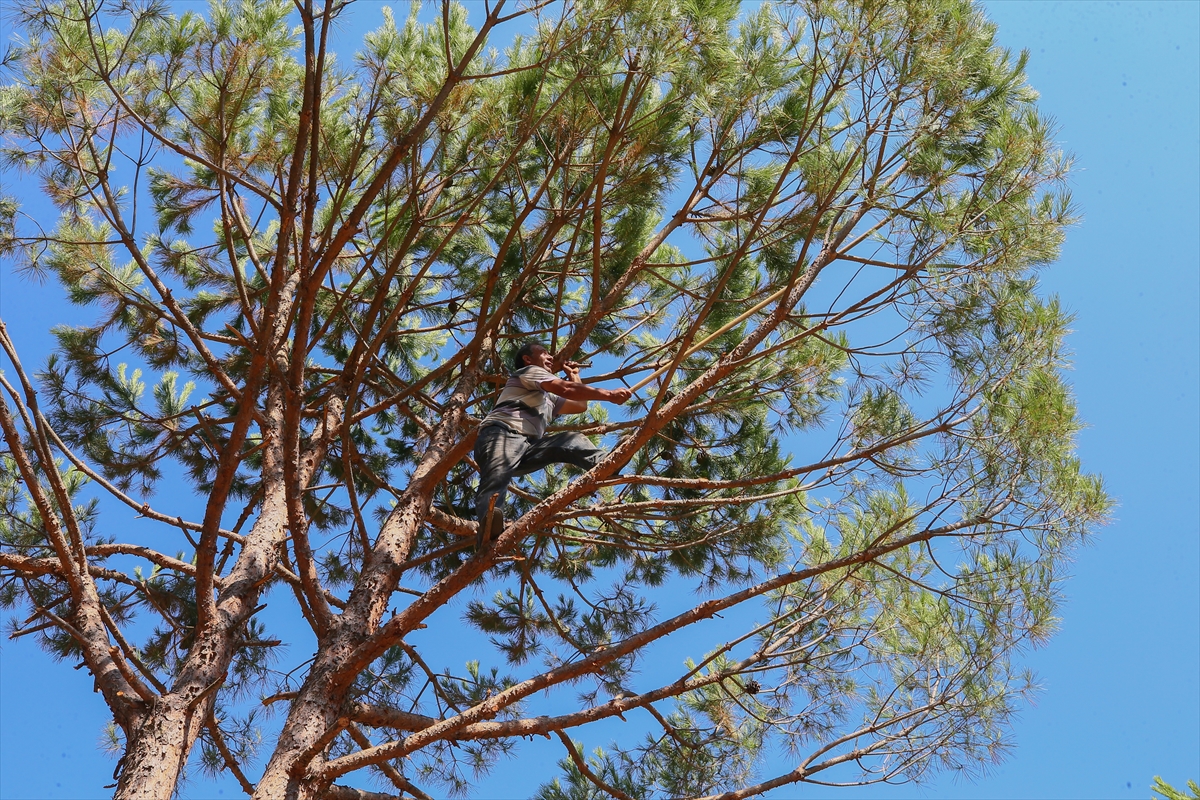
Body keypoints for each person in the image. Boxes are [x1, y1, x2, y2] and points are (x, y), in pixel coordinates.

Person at [474, 342, 632, 549]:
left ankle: (606, 464)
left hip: (528, 445)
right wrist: (609, 395)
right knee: (498, 473)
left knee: (570, 440)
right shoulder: (529, 372)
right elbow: (565, 388)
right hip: (502, 432)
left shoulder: (548, 396)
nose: (550, 357)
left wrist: (574, 374)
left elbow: (579, 405)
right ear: (528, 359)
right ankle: (488, 525)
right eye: (544, 353)